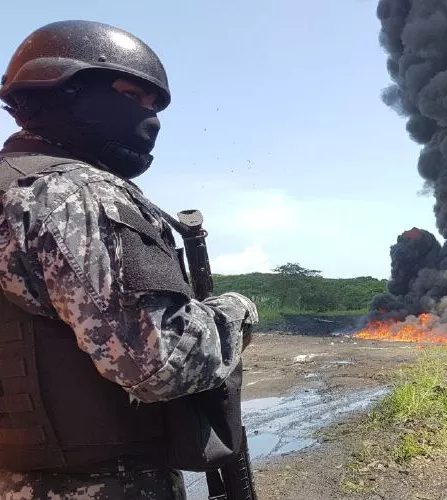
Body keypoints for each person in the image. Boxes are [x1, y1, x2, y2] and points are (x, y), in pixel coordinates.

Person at [0, 20, 258, 499]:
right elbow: (160, 361)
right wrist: (236, 313)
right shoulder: (77, 195)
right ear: (69, 90)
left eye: (154, 105)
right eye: (131, 95)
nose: (150, 117)